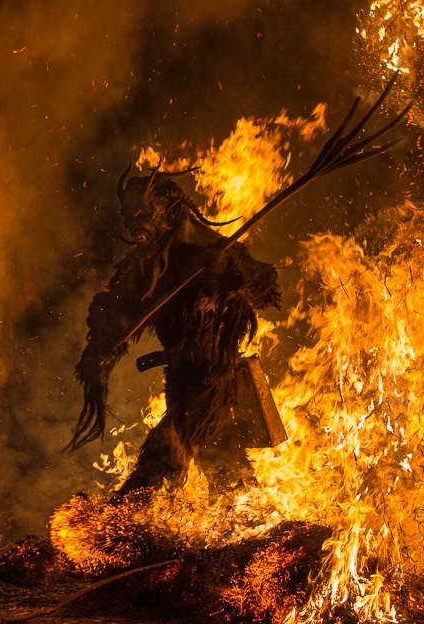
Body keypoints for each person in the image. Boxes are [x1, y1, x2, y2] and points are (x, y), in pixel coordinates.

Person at [69, 166, 280, 494]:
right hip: (181, 379)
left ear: (165, 208)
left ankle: (119, 523)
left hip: (215, 380)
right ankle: (262, 527)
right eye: (128, 215)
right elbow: (115, 309)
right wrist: (99, 349)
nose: (134, 223)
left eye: (141, 212)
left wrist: (226, 271)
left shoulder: (217, 251)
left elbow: (265, 287)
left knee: (163, 452)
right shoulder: (144, 265)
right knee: (227, 474)